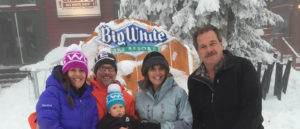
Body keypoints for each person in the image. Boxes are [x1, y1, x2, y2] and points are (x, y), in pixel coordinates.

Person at [188, 25, 264, 129]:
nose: (209, 50)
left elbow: (251, 114)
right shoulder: (194, 81)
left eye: (212, 43)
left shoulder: (243, 68)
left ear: (221, 44)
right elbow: (196, 119)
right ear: (198, 52)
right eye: (203, 47)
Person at [36, 44, 98, 129]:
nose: (77, 74)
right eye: (73, 70)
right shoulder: (52, 93)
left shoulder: (90, 98)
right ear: (66, 72)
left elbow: (93, 125)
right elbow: (47, 124)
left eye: (81, 70)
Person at [135, 51, 193, 129]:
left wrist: (160, 127)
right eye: (153, 69)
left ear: (166, 71)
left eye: (161, 68)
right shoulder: (139, 96)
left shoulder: (178, 94)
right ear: (146, 72)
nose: (157, 73)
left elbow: (187, 124)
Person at [90, 50, 137, 120]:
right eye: (102, 68)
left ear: (115, 72)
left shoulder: (127, 98)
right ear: (95, 71)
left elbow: (134, 123)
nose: (107, 72)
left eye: (111, 68)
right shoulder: (87, 94)